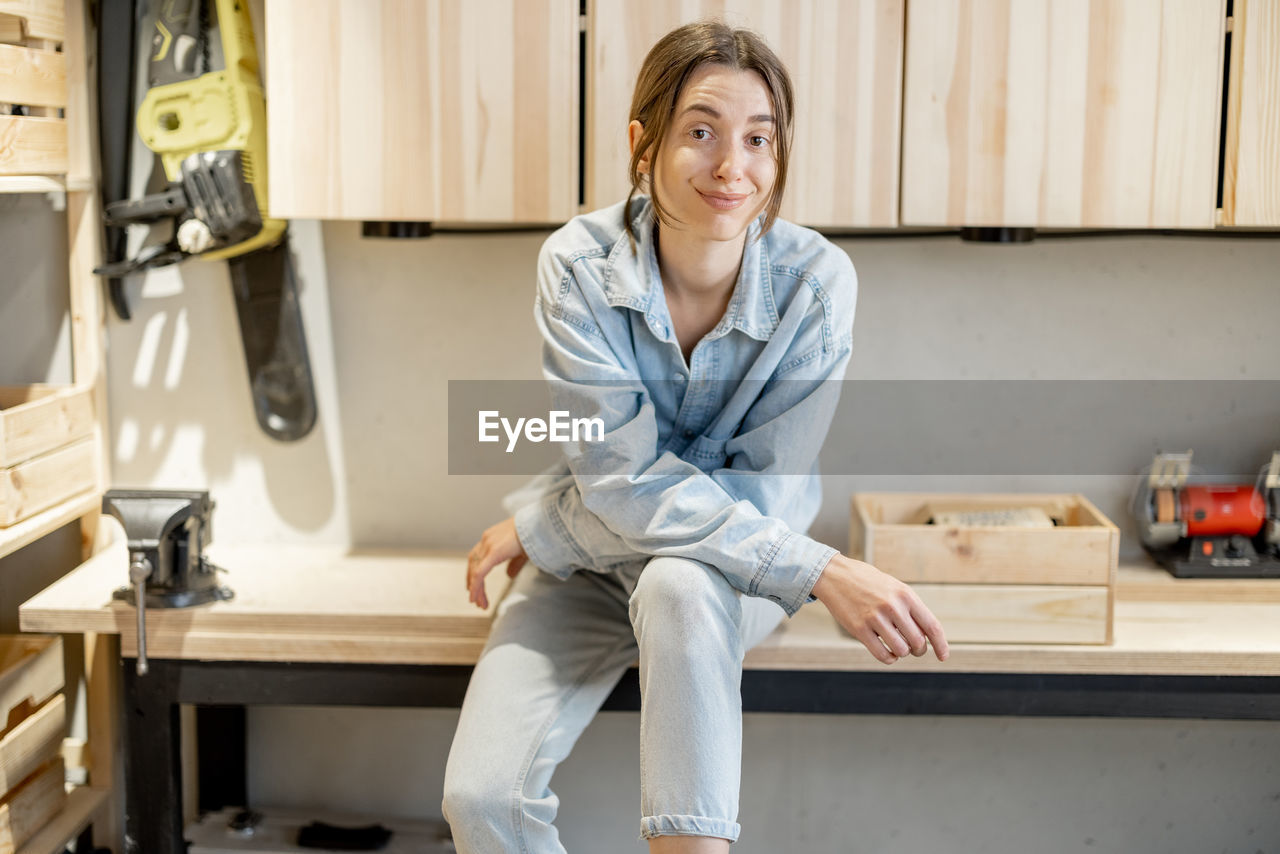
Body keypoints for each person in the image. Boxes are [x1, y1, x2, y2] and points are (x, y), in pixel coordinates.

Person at [443, 20, 948, 853]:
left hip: (722, 575)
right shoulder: (577, 265)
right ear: (644, 141)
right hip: (591, 574)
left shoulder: (816, 288)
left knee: (679, 580)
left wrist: (546, 523)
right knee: (481, 797)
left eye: (759, 139)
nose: (732, 167)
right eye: (703, 132)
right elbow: (617, 477)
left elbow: (752, 495)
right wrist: (823, 569)